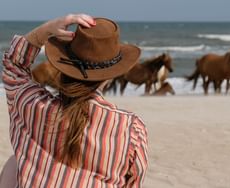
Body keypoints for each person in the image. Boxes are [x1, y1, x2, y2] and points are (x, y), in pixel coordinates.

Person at [0, 14, 148, 187]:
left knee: (14, 163)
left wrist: (47, 29)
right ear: (110, 75)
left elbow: (13, 65)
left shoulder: (31, 105)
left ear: (65, 65)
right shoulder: (130, 129)